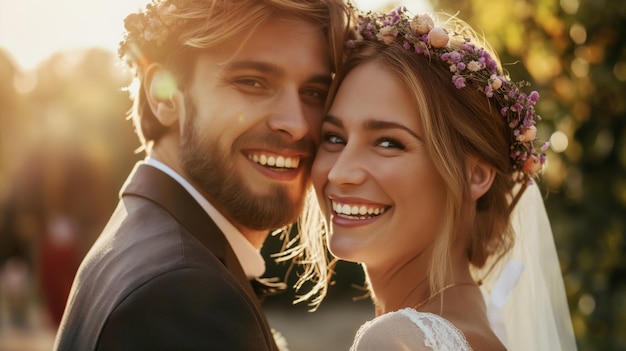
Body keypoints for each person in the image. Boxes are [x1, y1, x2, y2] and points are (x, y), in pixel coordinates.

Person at [53, 0, 350, 350]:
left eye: (314, 92)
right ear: (163, 96)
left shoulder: (145, 245)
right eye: (253, 82)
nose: (296, 124)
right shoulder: (179, 293)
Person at [309, 6, 577, 350]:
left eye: (388, 143)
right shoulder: (483, 328)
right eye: (334, 137)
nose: (339, 172)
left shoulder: (398, 342)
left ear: (476, 176)